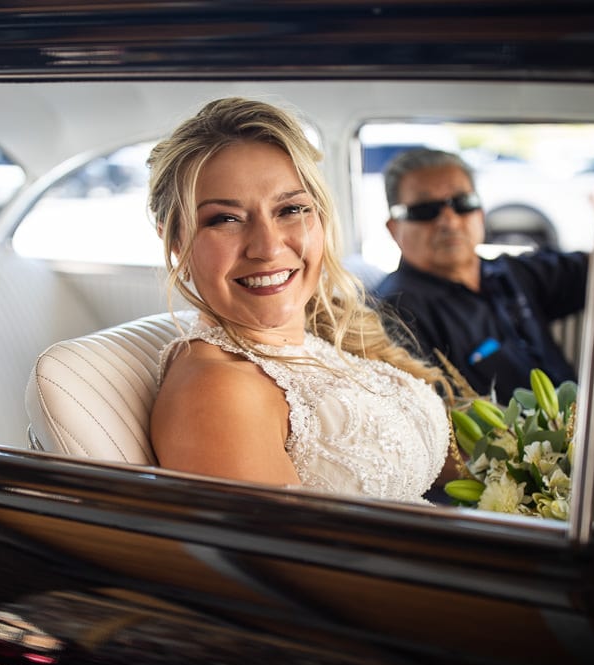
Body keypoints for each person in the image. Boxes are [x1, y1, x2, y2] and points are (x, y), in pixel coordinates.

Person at [147, 97, 461, 506]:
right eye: (225, 219)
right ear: (175, 243)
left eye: (291, 209)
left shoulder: (309, 340)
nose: (267, 247)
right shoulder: (218, 391)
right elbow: (285, 566)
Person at [374, 148, 594, 402]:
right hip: (519, 477)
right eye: (425, 210)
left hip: (581, 447)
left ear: (481, 212)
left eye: (462, 203)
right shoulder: (395, 313)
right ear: (393, 229)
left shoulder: (508, 273)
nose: (449, 220)